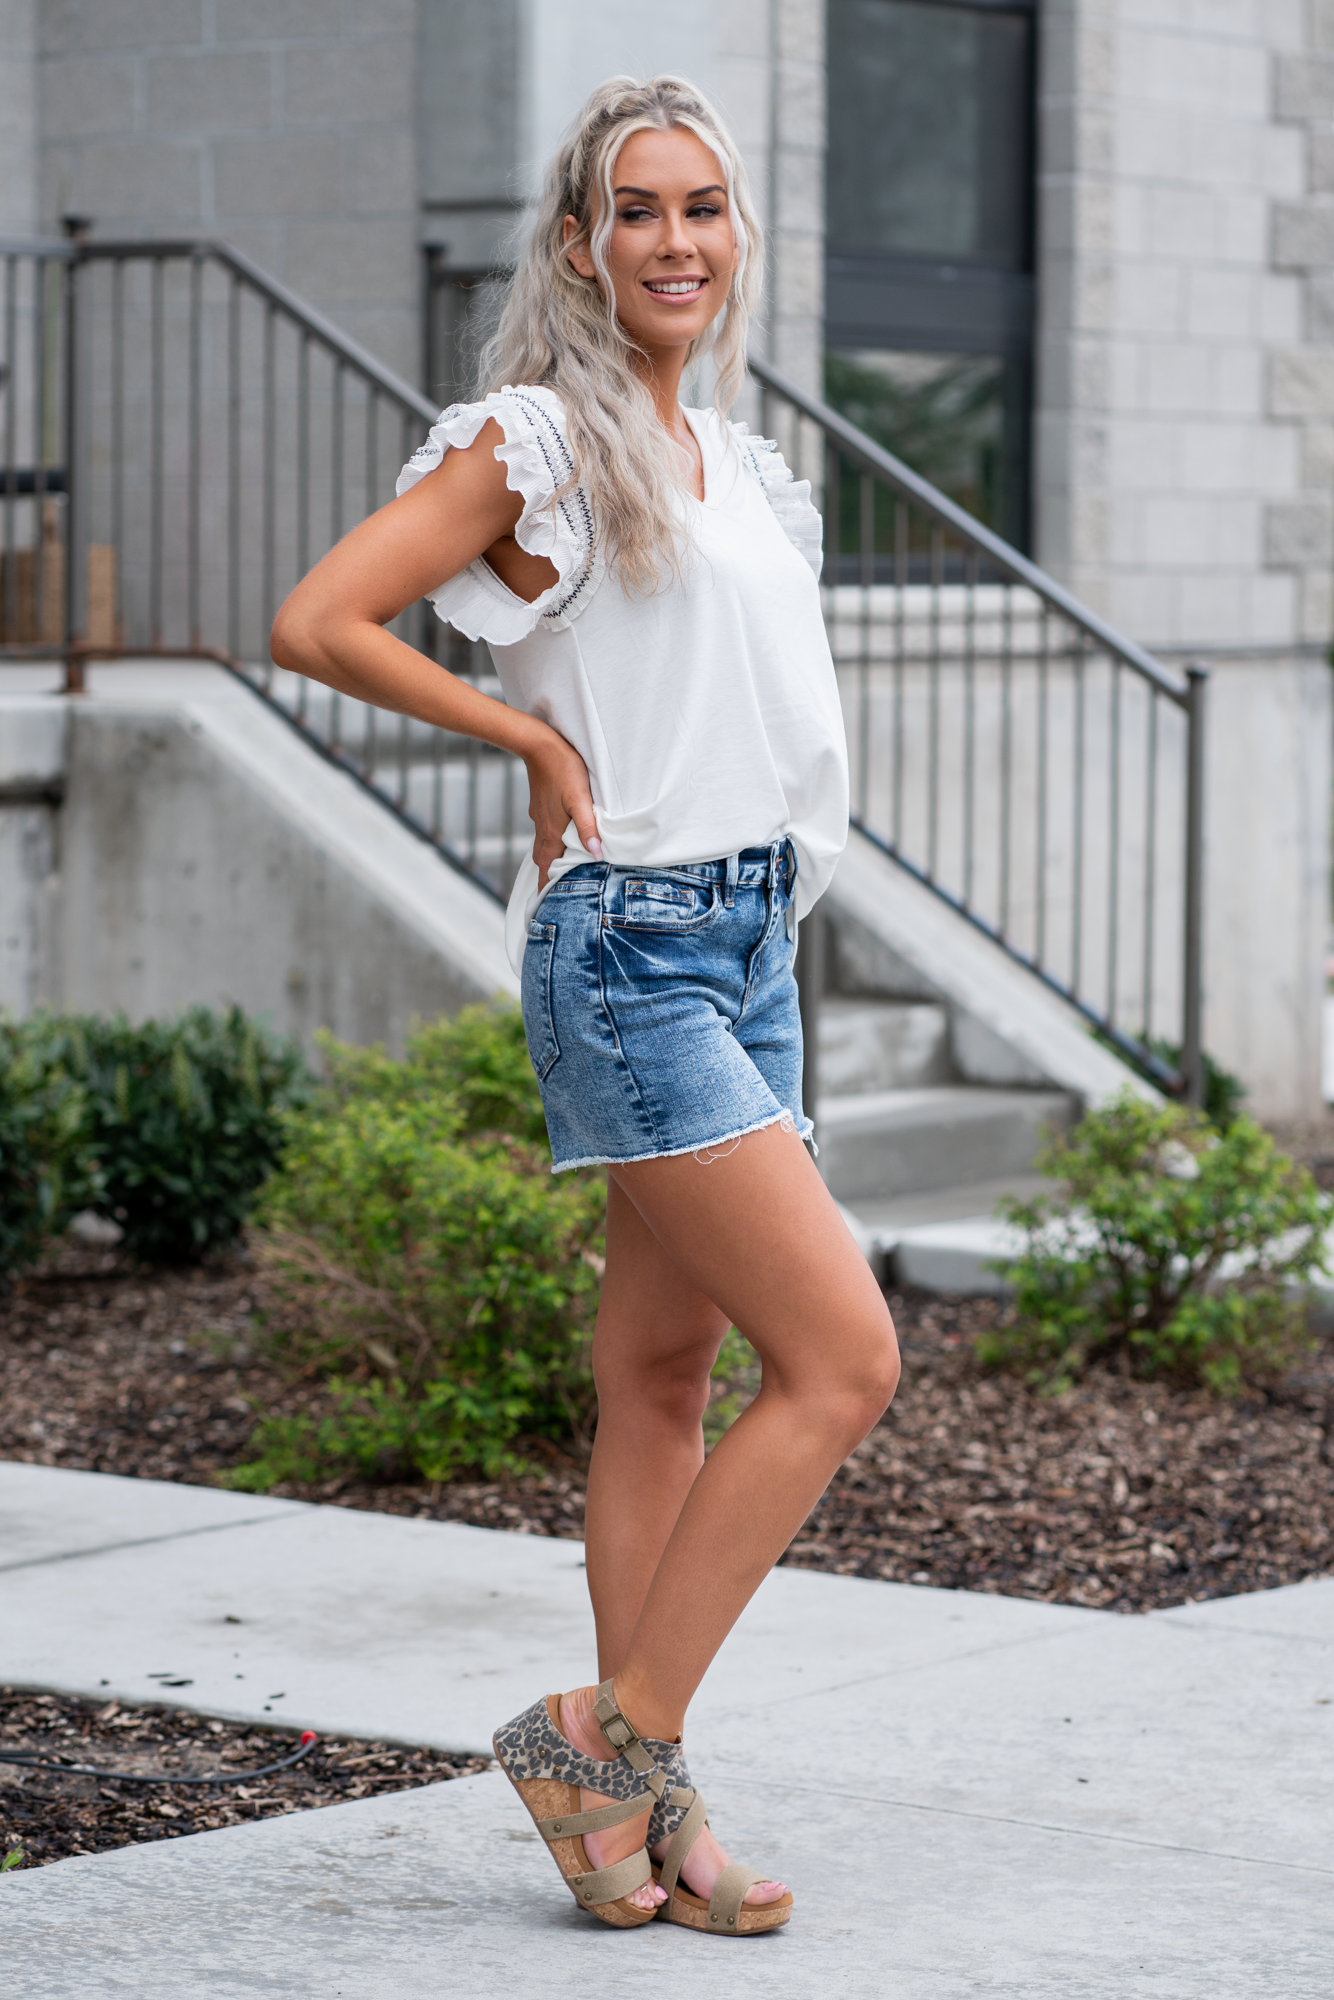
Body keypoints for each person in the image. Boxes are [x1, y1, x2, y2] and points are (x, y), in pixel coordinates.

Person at [271, 73, 900, 1939]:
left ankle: (646, 1823)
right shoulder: (540, 438)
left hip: (747, 942)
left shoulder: (733, 464)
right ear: (577, 243)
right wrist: (528, 738)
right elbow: (320, 620)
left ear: (736, 235)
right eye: (637, 210)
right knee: (842, 1361)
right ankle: (602, 1740)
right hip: (628, 945)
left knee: (657, 1383)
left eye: (702, 207)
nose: (674, 241)